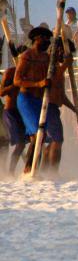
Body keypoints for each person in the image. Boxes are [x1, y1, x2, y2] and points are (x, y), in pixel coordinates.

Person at [13, 27, 53, 175]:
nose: (47, 42)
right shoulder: (26, 56)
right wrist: (38, 84)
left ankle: (34, 168)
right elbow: (17, 81)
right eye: (45, 39)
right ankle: (28, 169)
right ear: (37, 39)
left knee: (40, 137)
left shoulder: (46, 57)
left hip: (39, 100)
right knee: (37, 134)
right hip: (26, 100)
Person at [44, 40, 78, 174]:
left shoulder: (58, 68)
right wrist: (65, 65)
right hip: (46, 107)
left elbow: (61, 94)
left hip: (53, 108)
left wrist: (74, 108)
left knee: (53, 141)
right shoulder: (49, 65)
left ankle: (46, 171)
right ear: (59, 50)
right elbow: (51, 82)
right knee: (57, 140)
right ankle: (53, 172)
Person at [0, 45, 28, 175]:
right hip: (10, 111)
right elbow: (1, 92)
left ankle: (28, 168)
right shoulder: (10, 72)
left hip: (23, 111)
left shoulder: (28, 72)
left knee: (27, 143)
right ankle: (10, 172)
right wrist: (15, 85)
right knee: (19, 143)